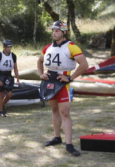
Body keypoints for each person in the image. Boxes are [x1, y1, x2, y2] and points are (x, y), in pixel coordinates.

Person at [37, 21, 88, 156]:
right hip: (50, 81)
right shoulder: (47, 47)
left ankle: (69, 144)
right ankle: (57, 137)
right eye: (53, 30)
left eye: (57, 31)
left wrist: (70, 78)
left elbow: (84, 65)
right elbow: (40, 61)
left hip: (63, 82)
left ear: (64, 32)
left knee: (64, 112)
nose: (54, 33)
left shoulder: (72, 47)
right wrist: (41, 73)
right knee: (54, 109)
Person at [0, 40, 20, 117]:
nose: (9, 48)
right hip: (1, 75)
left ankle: (2, 105)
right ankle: (1, 111)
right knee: (1, 94)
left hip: (9, 75)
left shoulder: (13, 56)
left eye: (10, 47)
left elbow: (15, 68)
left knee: (9, 94)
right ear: (4, 47)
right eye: (8, 47)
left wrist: (17, 78)